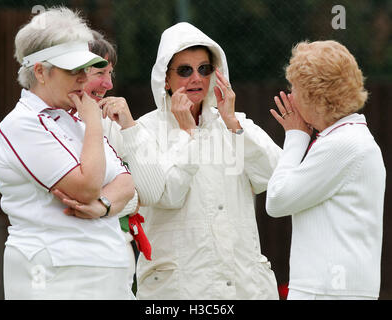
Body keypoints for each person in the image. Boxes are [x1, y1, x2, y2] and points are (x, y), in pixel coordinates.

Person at [101, 22, 282, 299]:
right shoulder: (143, 130)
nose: (196, 78)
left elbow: (274, 176)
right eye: (185, 70)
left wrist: (232, 123)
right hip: (182, 289)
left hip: (244, 285)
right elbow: (169, 195)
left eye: (204, 69)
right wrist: (187, 134)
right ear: (166, 78)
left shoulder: (234, 123)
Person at [0, 7, 136, 300]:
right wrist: (95, 126)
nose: (84, 78)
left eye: (86, 68)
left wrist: (103, 206)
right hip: (55, 279)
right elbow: (86, 186)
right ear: (41, 72)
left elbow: (127, 184)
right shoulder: (21, 125)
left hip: (109, 272)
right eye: (74, 69)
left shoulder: (77, 116)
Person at [266, 40, 386, 300]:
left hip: (325, 292)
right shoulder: (349, 139)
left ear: (314, 95)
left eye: (295, 88)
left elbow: (276, 200)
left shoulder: (341, 145)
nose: (291, 96)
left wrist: (296, 136)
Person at [82, 30, 165, 290]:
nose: (108, 85)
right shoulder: (46, 124)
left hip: (118, 256)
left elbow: (151, 193)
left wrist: (129, 127)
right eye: (99, 74)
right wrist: (121, 197)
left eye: (110, 74)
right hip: (71, 260)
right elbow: (79, 197)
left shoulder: (112, 123)